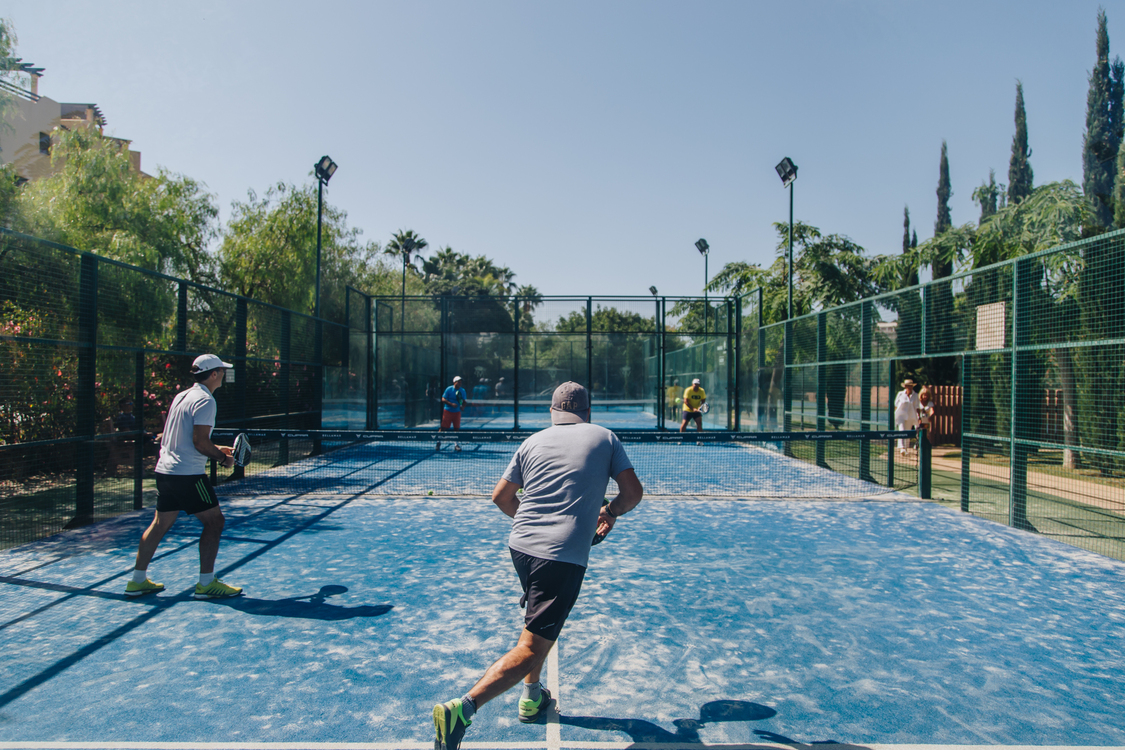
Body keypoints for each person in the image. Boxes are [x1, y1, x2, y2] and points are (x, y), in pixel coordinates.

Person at [431, 382, 643, 750]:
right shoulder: (606, 438)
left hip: (521, 547)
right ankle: (462, 709)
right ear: (588, 412)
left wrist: (533, 523)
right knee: (533, 644)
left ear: (553, 411)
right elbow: (632, 494)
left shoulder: (532, 442)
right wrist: (609, 512)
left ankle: (531, 696)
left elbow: (501, 497)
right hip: (560, 557)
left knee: (535, 623)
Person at [124, 354, 244, 600]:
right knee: (215, 522)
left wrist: (218, 449)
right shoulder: (206, 401)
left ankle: (137, 581)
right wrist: (223, 459)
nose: (223, 374)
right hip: (187, 474)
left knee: (159, 524)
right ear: (213, 374)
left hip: (165, 471)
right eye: (221, 370)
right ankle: (206, 583)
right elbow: (199, 442)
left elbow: (186, 437)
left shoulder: (182, 396)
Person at [438, 375, 470, 451]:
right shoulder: (449, 389)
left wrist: (462, 406)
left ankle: (456, 445)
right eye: (459, 382)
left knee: (456, 429)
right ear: (454, 382)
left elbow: (464, 401)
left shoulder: (462, 391)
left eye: (461, 382)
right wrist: (451, 404)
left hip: (457, 413)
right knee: (443, 428)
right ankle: (438, 442)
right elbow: (443, 399)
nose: (460, 383)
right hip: (447, 411)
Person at [894, 378, 921, 455]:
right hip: (900, 415)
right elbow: (895, 405)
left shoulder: (915, 395)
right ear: (905, 386)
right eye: (908, 386)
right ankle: (902, 447)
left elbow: (917, 407)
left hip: (910, 416)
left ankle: (905, 449)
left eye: (911, 386)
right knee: (902, 430)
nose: (909, 387)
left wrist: (919, 417)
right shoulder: (900, 394)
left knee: (907, 432)